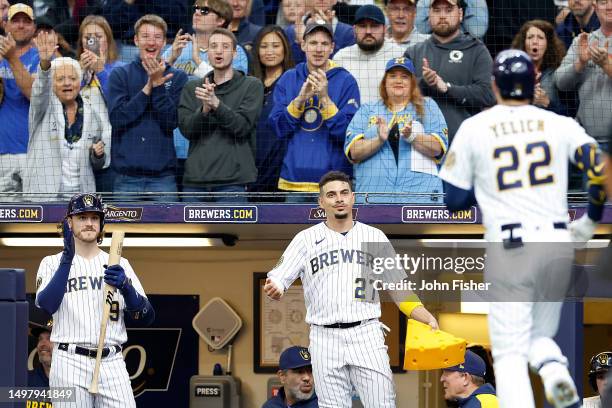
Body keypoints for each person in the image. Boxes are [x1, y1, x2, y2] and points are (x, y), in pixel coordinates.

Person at [439, 49, 607, 408]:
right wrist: (591, 220)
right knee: (539, 334)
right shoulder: (558, 123)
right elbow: (597, 165)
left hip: (510, 246)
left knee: (510, 354)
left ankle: (550, 375)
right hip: (556, 242)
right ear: (533, 83)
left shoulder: (476, 127)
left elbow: (452, 200)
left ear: (495, 85)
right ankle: (554, 372)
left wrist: (483, 188)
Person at [264, 170, 439, 407]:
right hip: (324, 336)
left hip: (366, 333)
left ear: (352, 197)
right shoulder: (305, 239)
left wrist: (425, 315)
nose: (339, 199)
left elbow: (399, 289)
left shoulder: (374, 236)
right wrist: (275, 286)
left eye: (344, 193)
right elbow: (278, 276)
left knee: (382, 404)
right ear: (321, 202)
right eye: (332, 194)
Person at [35, 193, 155, 407]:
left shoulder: (120, 263)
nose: (89, 223)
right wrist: (66, 261)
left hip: (112, 361)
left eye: (94, 218)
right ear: (69, 223)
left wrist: (127, 288)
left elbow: (146, 316)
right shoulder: (51, 262)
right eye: (82, 217)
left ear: (101, 223)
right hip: (68, 360)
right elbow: (47, 305)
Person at [269, 22, 360, 201]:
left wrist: (325, 99)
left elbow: (349, 134)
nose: (318, 49)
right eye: (313, 43)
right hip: (294, 180)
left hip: (335, 183)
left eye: (324, 44)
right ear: (303, 45)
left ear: (332, 47)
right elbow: (278, 128)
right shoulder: (288, 78)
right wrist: (300, 100)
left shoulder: (346, 80)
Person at [345, 57, 447, 204]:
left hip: (419, 198)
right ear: (384, 82)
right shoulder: (368, 109)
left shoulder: (428, 106)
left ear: (412, 83)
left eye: (404, 77)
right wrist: (379, 140)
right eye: (392, 76)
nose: (398, 81)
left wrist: (413, 137)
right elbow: (353, 152)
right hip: (374, 197)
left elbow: (438, 148)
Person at [108, 14, 188, 201]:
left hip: (163, 180)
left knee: (168, 232)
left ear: (164, 43)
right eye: (145, 36)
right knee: (123, 231)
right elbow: (118, 119)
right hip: (127, 180)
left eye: (157, 37)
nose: (151, 42)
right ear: (136, 40)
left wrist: (159, 86)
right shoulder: (120, 74)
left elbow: (171, 122)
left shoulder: (177, 77)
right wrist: (148, 87)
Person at [23, 31, 111, 202]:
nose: (67, 83)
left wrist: (98, 155)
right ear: (52, 83)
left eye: (72, 78)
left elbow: (97, 164)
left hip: (81, 198)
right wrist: (45, 64)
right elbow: (40, 88)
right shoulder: (42, 107)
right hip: (44, 197)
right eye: (60, 78)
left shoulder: (92, 112)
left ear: (80, 82)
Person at [178, 28, 263, 202]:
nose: (219, 51)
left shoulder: (252, 85)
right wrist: (204, 110)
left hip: (233, 184)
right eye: (214, 46)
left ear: (234, 52)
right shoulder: (192, 87)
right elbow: (187, 130)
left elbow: (242, 127)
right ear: (207, 52)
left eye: (225, 47)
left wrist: (215, 104)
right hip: (195, 184)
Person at [404, 0, 495, 142]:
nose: (442, 16)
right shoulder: (414, 52)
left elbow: (488, 95)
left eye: (448, 10)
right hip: (420, 149)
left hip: (463, 144)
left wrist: (447, 89)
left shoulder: (477, 50)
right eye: (436, 10)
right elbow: (397, 93)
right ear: (429, 14)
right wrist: (424, 83)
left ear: (460, 14)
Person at [76, 15, 124, 193]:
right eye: (87, 37)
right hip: (78, 156)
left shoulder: (120, 69)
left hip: (112, 155)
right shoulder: (73, 69)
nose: (92, 41)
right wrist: (80, 73)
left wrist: (101, 71)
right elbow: (66, 103)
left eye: (98, 36)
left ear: (108, 40)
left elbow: (118, 105)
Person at [555, 0, 612, 150]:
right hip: (588, 141)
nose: (609, 6)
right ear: (595, 8)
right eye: (604, 2)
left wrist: (606, 65)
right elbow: (560, 82)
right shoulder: (582, 41)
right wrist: (580, 63)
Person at [0, 3, 39, 202]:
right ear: (5, 25)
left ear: (34, 28)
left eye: (26, 21)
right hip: (2, 154)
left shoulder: (44, 58)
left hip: (34, 155)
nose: (21, 25)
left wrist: (12, 57)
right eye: (15, 21)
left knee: (39, 221)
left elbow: (34, 94)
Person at [250, 25, 294, 198]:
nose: (270, 51)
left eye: (275, 46)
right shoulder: (250, 83)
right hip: (254, 164)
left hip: (282, 165)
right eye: (264, 46)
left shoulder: (294, 82)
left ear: (285, 49)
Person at [333, 5, 405, 103]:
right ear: (354, 30)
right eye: (362, 26)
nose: (368, 31)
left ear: (384, 29)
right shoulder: (341, 58)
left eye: (374, 26)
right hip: (350, 117)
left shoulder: (399, 56)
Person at [511, 20, 568, 115]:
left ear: (548, 44)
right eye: (530, 37)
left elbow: (570, 113)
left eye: (540, 38)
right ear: (523, 43)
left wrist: (547, 103)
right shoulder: (513, 72)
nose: (535, 42)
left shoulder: (559, 72)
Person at [284, 0, 355, 64]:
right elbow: (290, 69)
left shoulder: (349, 33)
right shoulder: (289, 32)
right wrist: (299, 44)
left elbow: (342, 69)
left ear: (335, 1)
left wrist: (330, 38)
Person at [416, 0, 489, 39]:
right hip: (436, 48)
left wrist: (463, 7)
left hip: (468, 49)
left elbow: (477, 32)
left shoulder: (477, 1)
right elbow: (420, 30)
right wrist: (432, 4)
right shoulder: (424, 2)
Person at [27, 321, 54, 408]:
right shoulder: (25, 381)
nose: (42, 344)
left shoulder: (77, 383)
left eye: (50, 339)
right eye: (40, 339)